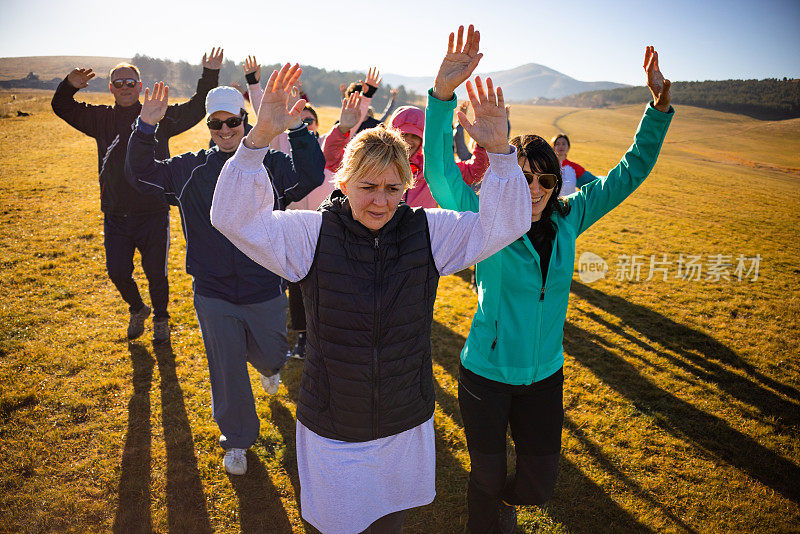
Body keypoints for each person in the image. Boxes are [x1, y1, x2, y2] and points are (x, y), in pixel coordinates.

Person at [210, 31, 531, 532]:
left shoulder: (428, 230)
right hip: (333, 431)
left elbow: (505, 224)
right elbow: (235, 219)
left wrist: (501, 153)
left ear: (407, 185)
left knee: (389, 527)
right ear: (343, 181)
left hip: (403, 426)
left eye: (393, 188)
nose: (381, 201)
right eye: (367, 186)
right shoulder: (314, 233)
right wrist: (253, 144)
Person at [425, 37, 673, 532]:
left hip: (544, 377)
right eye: (523, 178)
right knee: (486, 479)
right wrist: (440, 97)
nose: (535, 189)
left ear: (557, 184)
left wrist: (658, 107)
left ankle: (506, 512)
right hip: (487, 374)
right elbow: (439, 171)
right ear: (507, 181)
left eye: (545, 180)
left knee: (537, 484)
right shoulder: (484, 217)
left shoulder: (570, 216)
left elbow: (630, 172)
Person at [125, 84, 325, 476]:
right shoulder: (190, 169)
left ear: (244, 120)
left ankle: (269, 367)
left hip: (265, 288)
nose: (224, 129)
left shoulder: (270, 164)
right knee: (226, 367)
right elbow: (141, 175)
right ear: (208, 125)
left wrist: (298, 129)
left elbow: (310, 175)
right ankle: (236, 440)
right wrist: (145, 126)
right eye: (216, 123)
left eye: (232, 121)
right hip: (213, 292)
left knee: (272, 355)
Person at [51, 49, 223, 343]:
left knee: (157, 274)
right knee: (117, 271)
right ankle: (137, 308)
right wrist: (69, 84)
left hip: (153, 211)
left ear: (140, 86)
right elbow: (62, 107)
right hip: (115, 212)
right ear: (110, 88)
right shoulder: (100, 119)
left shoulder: (157, 114)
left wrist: (210, 74)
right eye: (118, 83)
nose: (125, 88)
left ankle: (161, 319)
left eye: (130, 82)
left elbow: (197, 108)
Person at [391, 104, 489, 208]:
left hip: (422, 224)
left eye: (415, 136)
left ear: (422, 139)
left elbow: (473, 171)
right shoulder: (379, 163)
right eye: (403, 135)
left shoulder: (431, 167)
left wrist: (481, 144)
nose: (408, 141)